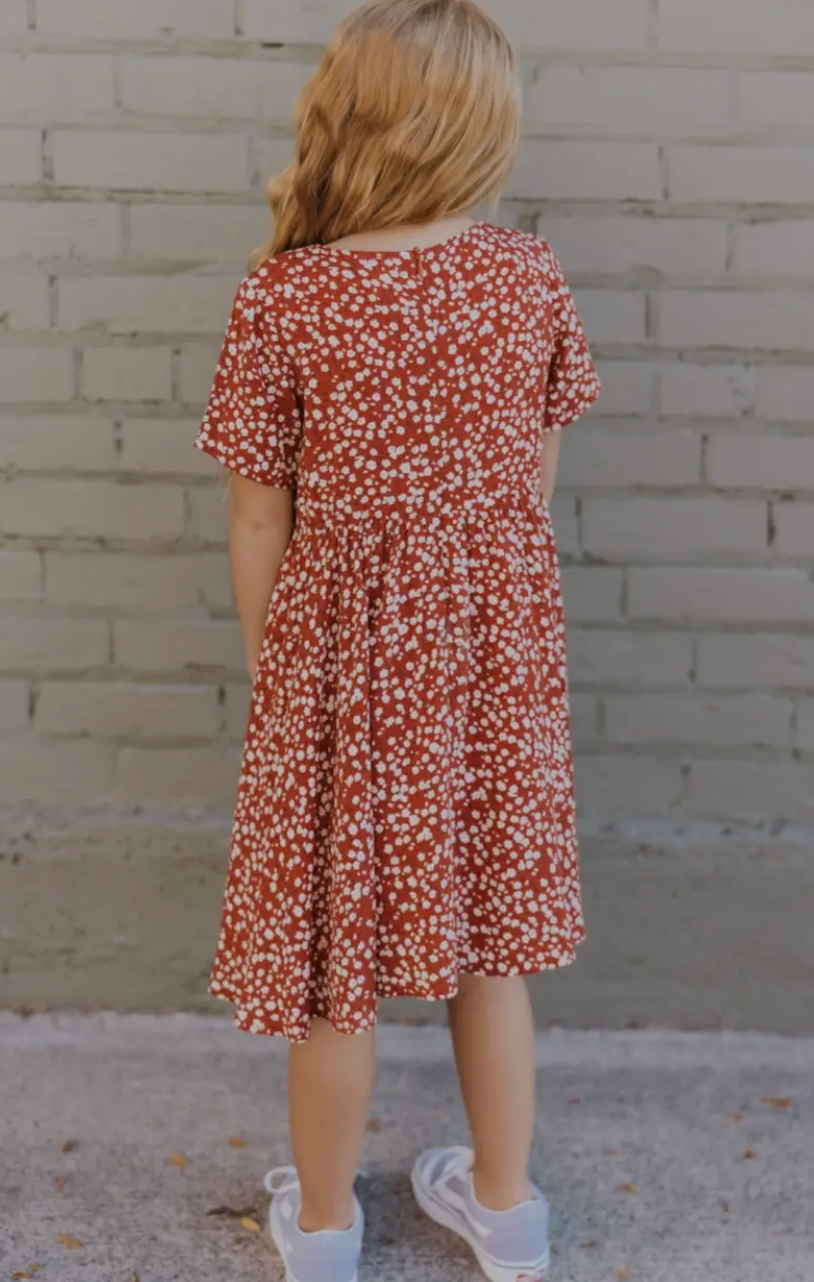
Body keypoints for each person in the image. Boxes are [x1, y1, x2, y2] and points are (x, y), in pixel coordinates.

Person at [194, 1, 601, 1279]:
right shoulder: (525, 277)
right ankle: (505, 1206)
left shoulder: (288, 292)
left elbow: (259, 511)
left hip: (341, 664)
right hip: (490, 659)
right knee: (488, 938)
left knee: (333, 952)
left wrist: (284, 670)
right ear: (480, 130)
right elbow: (526, 494)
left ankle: (320, 1230)